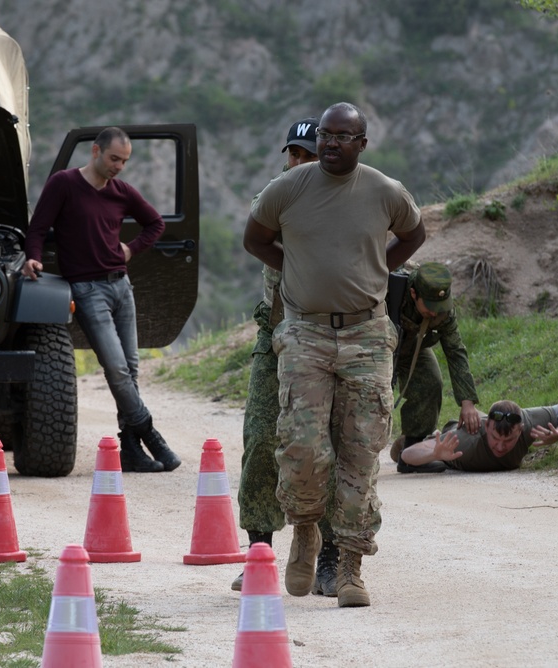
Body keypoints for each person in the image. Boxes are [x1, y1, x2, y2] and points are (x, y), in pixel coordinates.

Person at [243, 102, 426, 607]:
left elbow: (415, 233)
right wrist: (296, 267)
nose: (330, 143)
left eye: (343, 136)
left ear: (361, 142)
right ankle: (305, 530)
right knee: (300, 446)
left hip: (367, 335)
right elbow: (254, 238)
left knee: (361, 453)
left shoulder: (384, 191)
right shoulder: (288, 189)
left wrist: (379, 270)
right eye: (325, 135)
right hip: (305, 333)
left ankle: (349, 566)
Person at [23, 127, 181, 473]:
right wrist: (33, 257)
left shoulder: (121, 192)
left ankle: (131, 451)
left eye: (124, 161)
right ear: (95, 151)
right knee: (117, 368)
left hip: (122, 287)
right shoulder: (64, 184)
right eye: (114, 159)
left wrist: (131, 248)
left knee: (131, 368)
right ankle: (150, 434)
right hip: (86, 290)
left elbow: (154, 223)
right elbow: (37, 228)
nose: (119, 167)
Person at [234, 117, 340, 596]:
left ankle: (332, 556)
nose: (297, 162)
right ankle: (259, 552)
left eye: (307, 155)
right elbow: (259, 224)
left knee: (330, 447)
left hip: (326, 341)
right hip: (274, 338)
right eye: (292, 154)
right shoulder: (277, 198)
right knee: (260, 439)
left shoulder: (344, 205)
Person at [390, 262, 480, 473]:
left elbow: (455, 350)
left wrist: (467, 402)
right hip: (377, 349)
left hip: (413, 348)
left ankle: (414, 452)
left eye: (438, 306)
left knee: (431, 382)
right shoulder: (390, 291)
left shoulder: (441, 309)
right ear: (413, 294)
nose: (434, 313)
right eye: (429, 306)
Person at [399, 399, 558, 472]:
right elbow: (407, 455)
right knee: (399, 450)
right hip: (447, 440)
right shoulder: (466, 441)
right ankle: (427, 435)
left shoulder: (531, 424)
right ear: (487, 427)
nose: (500, 447)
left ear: (521, 429)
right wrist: (435, 453)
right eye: (495, 439)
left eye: (508, 440)